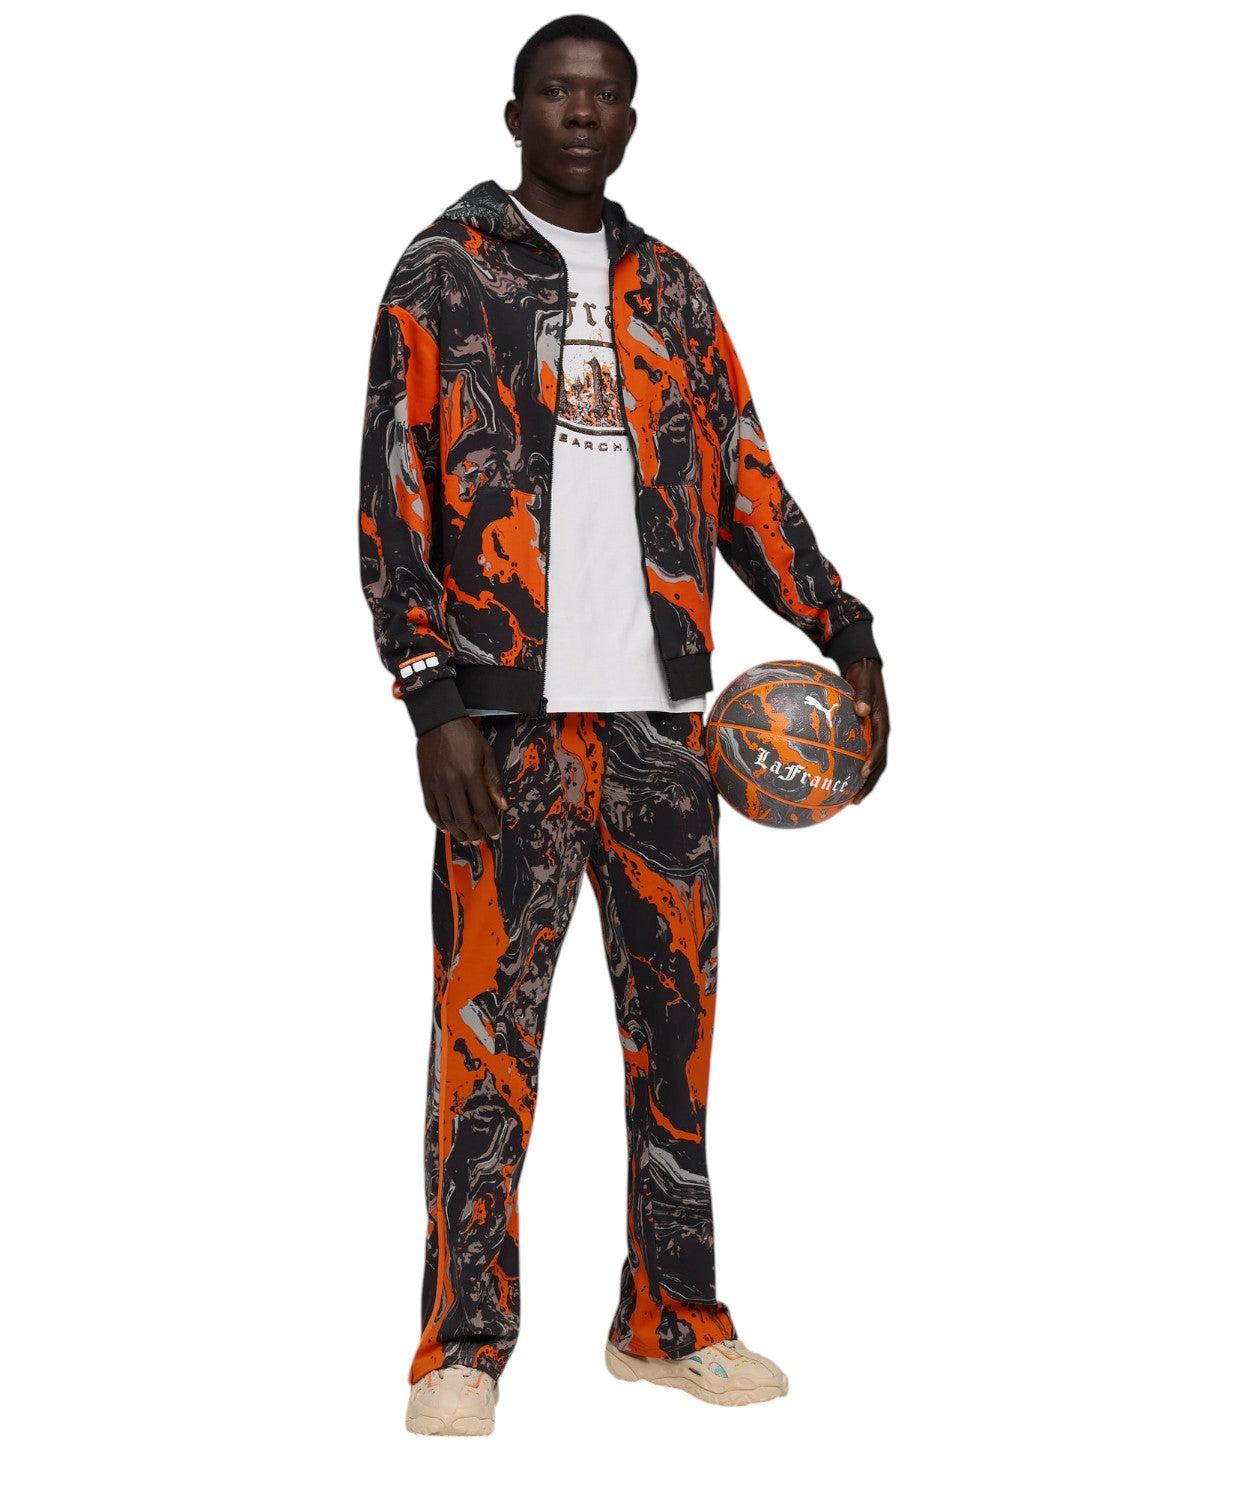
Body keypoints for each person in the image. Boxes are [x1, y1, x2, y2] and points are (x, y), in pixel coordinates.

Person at [358, 13, 890, 1438]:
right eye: (558, 91)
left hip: (663, 731)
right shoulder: (443, 272)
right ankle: (462, 1346)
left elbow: (745, 481)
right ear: (516, 112)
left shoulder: (674, 291)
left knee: (677, 1038)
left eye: (606, 95)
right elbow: (391, 490)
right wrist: (431, 695)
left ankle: (670, 1321)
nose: (582, 113)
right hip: (505, 730)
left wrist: (845, 630)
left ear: (632, 121)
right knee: (485, 1042)